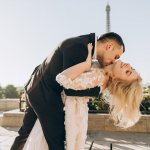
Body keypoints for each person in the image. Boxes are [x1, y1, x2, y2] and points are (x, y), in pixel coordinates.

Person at [11, 32, 125, 150]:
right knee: (56, 139)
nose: (114, 61)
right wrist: (101, 88)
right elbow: (70, 89)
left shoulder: (84, 44)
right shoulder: (80, 47)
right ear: (109, 46)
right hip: (45, 94)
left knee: (24, 133)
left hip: (35, 87)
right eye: (116, 56)